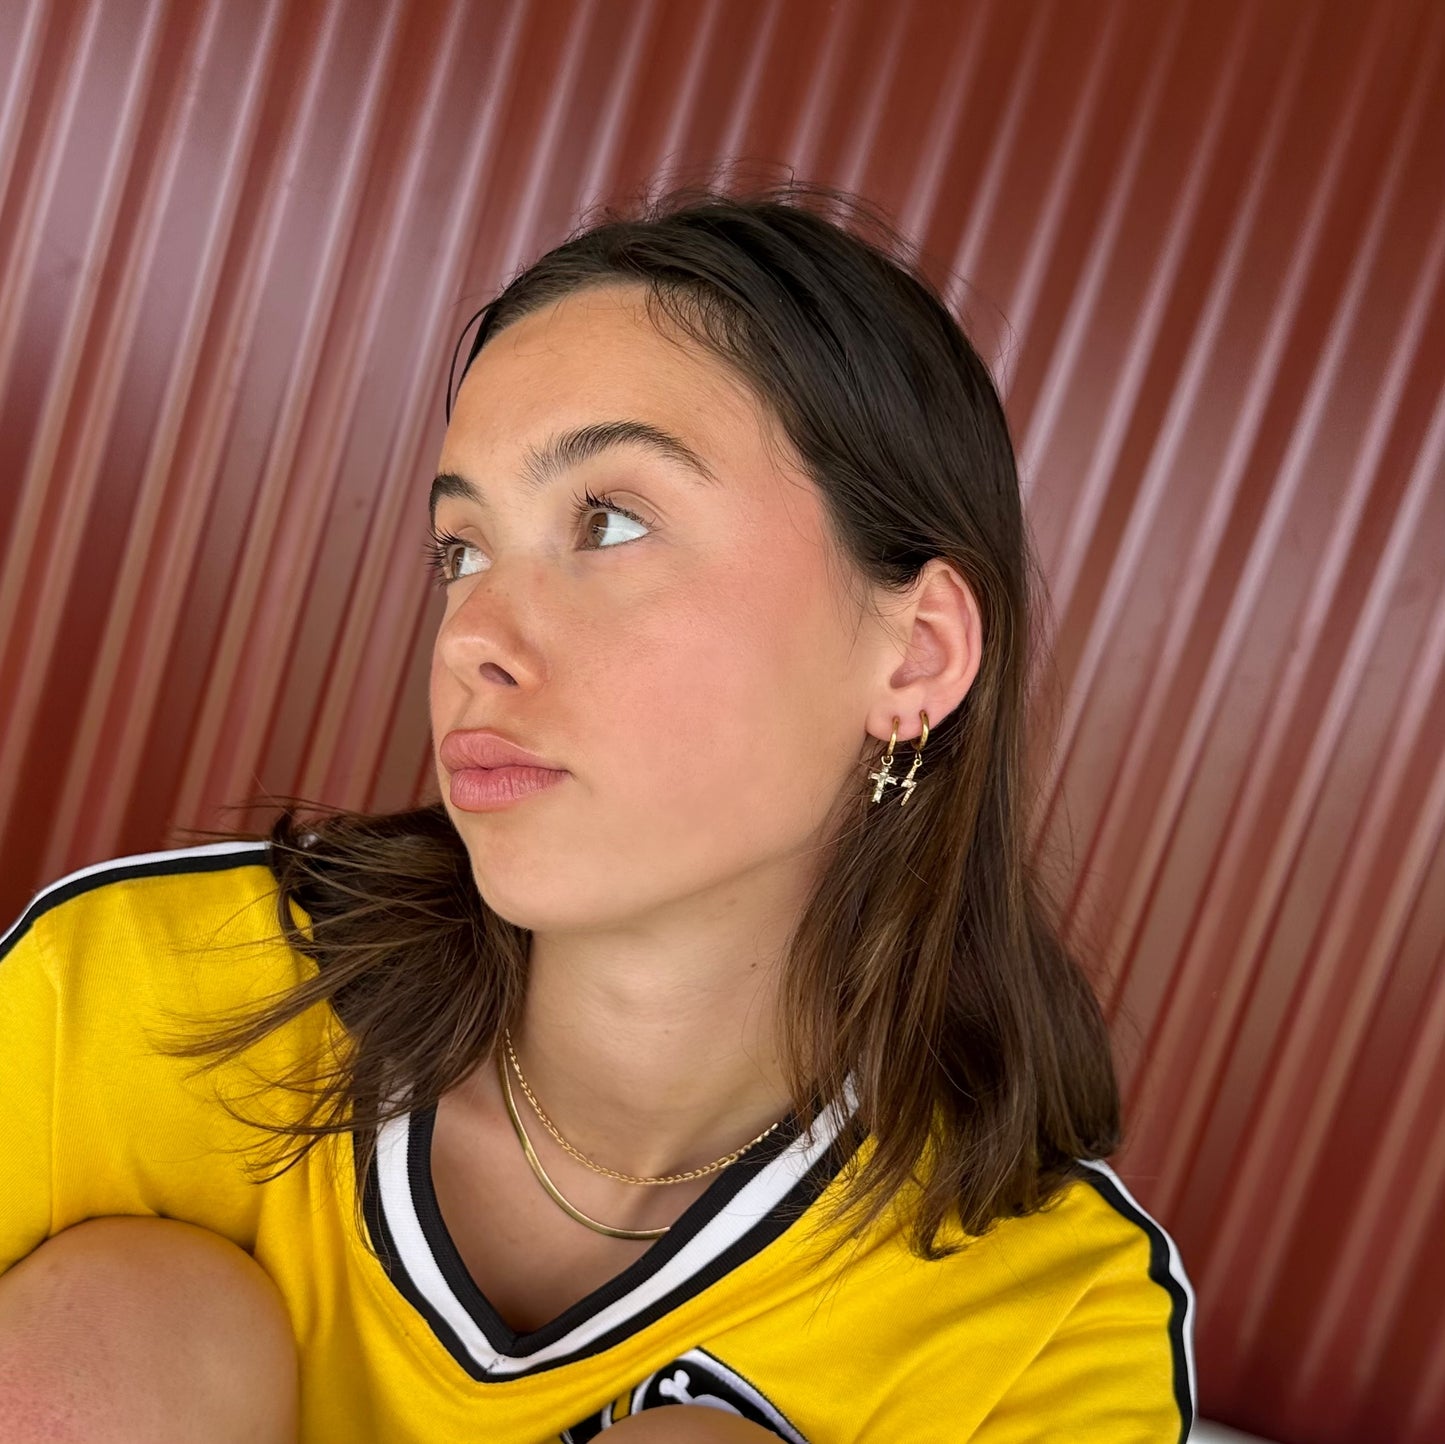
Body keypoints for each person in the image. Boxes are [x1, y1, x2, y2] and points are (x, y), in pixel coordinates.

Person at [0, 181, 1196, 1442]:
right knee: (125, 1325)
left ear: (913, 658)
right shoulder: (160, 991)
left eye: (608, 521)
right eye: (461, 548)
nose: (475, 636)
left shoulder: (1044, 1326)